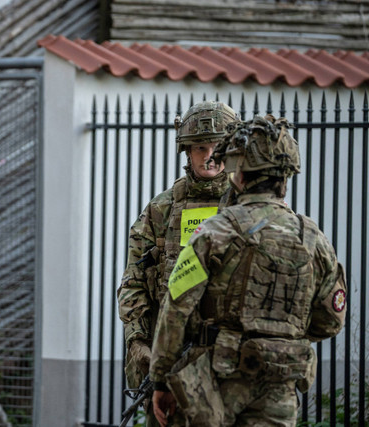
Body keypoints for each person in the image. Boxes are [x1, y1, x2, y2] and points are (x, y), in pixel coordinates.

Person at [150, 115, 346, 426]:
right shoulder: (313, 238)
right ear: (286, 174)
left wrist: (161, 379)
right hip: (280, 384)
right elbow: (330, 321)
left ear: (238, 175)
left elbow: (176, 309)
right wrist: (280, 334)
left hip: (216, 383)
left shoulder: (213, 233)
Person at [117, 100, 238, 425]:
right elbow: (133, 283)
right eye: (200, 146)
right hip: (171, 361)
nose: (209, 155)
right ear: (187, 150)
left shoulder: (246, 207)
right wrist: (139, 343)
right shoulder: (163, 209)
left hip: (232, 363)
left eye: (217, 146)